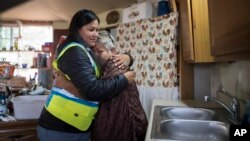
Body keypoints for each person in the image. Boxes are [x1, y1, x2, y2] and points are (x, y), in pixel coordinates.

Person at [37, 9, 135, 141]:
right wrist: (124, 79)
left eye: (96, 30)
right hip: (61, 126)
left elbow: (102, 65)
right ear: (77, 29)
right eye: (91, 30)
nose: (95, 34)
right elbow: (92, 90)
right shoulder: (75, 51)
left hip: (75, 124)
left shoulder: (84, 49)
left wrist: (128, 57)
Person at [91, 34, 148, 141]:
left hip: (123, 127)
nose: (95, 55)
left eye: (100, 52)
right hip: (133, 123)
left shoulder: (114, 66)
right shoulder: (104, 66)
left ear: (112, 50)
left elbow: (99, 92)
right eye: (93, 51)